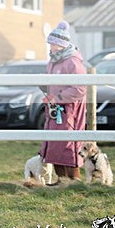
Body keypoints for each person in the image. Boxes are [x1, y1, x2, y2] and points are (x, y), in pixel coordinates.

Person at [39, 21, 87, 181]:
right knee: (54, 143)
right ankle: (61, 180)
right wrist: (47, 91)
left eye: (53, 43)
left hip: (69, 110)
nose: (51, 46)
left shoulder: (72, 62)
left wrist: (58, 98)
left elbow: (79, 89)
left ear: (62, 44)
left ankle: (74, 180)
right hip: (56, 109)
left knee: (68, 144)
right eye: (50, 43)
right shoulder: (53, 61)